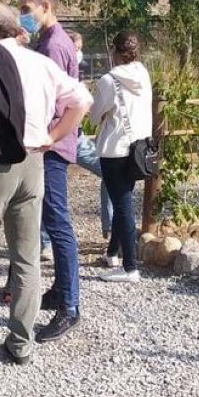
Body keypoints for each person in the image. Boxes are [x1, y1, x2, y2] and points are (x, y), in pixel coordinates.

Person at [0, 2, 91, 377]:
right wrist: (53, 136)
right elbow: (82, 100)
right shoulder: (39, 62)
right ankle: (21, 344)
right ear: (15, 29)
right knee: (25, 257)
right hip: (33, 164)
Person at [17, 0, 84, 343]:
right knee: (51, 219)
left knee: (58, 223)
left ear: (45, 6)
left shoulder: (55, 45)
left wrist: (51, 137)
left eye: (26, 8)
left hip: (52, 147)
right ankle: (60, 289)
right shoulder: (45, 41)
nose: (22, 14)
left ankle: (70, 307)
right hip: (48, 144)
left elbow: (62, 100)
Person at [91, 32, 153, 283]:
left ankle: (130, 267)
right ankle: (112, 253)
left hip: (115, 149)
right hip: (139, 148)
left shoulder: (108, 81)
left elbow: (94, 116)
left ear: (114, 51)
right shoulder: (143, 74)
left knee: (123, 205)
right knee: (123, 200)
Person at [68, 31, 108, 240]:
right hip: (62, 138)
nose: (80, 53)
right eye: (77, 48)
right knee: (49, 189)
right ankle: (45, 242)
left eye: (80, 48)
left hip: (77, 137)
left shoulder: (78, 74)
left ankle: (109, 229)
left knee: (109, 173)